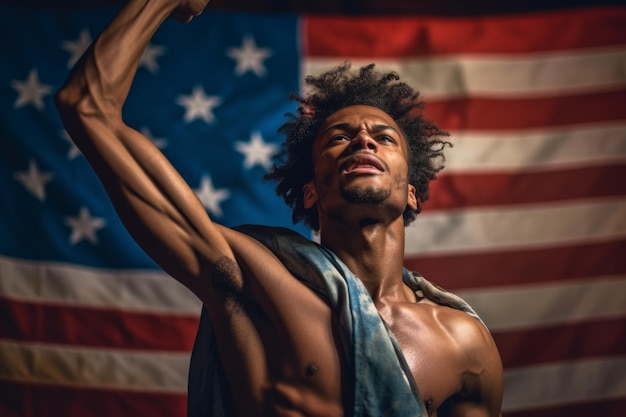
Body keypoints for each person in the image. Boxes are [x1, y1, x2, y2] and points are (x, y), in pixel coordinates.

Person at [55, 0, 504, 416]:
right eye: (339, 138)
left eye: (384, 138)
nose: (363, 140)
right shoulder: (250, 276)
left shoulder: (465, 344)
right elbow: (87, 107)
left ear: (412, 192)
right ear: (310, 192)